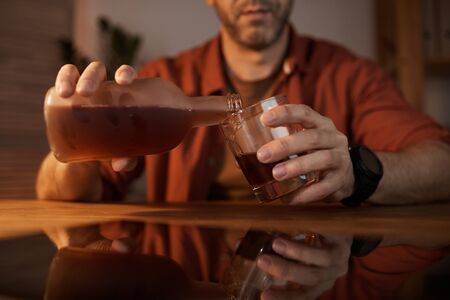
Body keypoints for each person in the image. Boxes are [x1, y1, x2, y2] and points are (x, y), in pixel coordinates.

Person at [36, 0, 450, 299]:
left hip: (315, 268)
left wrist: (358, 171)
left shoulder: (351, 75)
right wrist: (77, 144)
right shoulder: (161, 80)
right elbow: (58, 193)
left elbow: (443, 163)